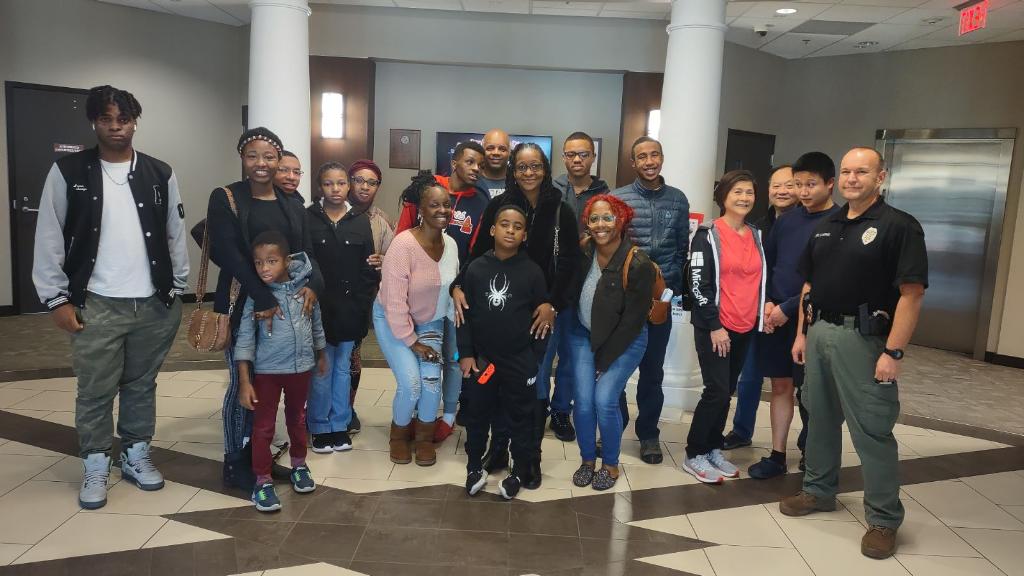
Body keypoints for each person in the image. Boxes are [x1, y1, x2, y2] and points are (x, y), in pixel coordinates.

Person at [32, 85, 188, 509]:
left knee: (141, 385)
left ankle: (136, 454)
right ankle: (97, 462)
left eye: (124, 119)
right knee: (96, 389)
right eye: (107, 120)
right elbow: (48, 235)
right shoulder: (68, 171)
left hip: (153, 303)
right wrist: (56, 299)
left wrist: (177, 289)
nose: (116, 128)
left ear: (135, 121)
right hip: (95, 302)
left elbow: (175, 233)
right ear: (94, 122)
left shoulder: (160, 172)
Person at [780, 147, 927, 560]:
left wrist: (893, 352)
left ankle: (883, 519)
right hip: (821, 332)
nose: (851, 178)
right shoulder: (826, 225)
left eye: (861, 171)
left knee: (872, 429)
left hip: (864, 341)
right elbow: (809, 285)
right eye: (846, 172)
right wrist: (802, 334)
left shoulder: (899, 227)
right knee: (820, 417)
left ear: (881, 176)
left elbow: (911, 295)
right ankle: (817, 491)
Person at [452, 142, 580, 489]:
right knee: (495, 384)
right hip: (500, 306)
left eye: (535, 166)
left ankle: (529, 459)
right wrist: (458, 285)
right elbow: (478, 254)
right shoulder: (500, 205)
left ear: (545, 168)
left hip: (543, 311)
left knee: (532, 384)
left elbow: (570, 262)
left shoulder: (560, 209)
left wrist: (551, 303)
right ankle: (498, 449)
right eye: (521, 167)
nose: (528, 173)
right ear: (513, 169)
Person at [206, 126, 323, 490]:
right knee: (244, 385)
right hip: (243, 301)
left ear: (279, 160)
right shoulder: (226, 197)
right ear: (242, 158)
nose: (261, 163)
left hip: (286, 305)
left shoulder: (290, 202)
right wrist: (263, 296)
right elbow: (227, 253)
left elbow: (305, 252)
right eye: (252, 155)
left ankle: (259, 458)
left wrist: (314, 286)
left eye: (269, 157)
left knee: (272, 388)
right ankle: (234, 461)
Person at [748, 154, 841, 479]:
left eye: (810, 184)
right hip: (774, 317)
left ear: (830, 183)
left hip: (811, 320)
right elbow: (769, 264)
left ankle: (812, 451)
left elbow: (825, 279)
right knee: (780, 385)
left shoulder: (839, 222)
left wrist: (787, 309)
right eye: (798, 184)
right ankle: (776, 453)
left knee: (812, 391)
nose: (803, 191)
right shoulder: (787, 220)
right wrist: (768, 303)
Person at [458, 205, 549, 500]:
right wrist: (467, 354)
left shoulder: (533, 272)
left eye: (518, 226)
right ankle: (474, 465)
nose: (511, 230)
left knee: (520, 418)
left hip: (519, 361)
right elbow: (465, 316)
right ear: (492, 230)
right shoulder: (476, 269)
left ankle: (519, 471)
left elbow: (542, 321)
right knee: (477, 414)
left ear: (524, 235)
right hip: (482, 360)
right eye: (505, 224)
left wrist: (534, 360)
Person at [683, 170, 766, 484]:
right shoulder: (707, 235)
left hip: (746, 326)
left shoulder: (756, 235)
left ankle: (713, 446)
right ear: (723, 197)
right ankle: (694, 453)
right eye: (737, 192)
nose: (744, 198)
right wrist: (715, 325)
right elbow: (697, 284)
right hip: (716, 327)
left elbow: (759, 279)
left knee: (727, 391)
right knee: (716, 391)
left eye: (749, 192)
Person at [234, 231, 326, 512]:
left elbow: (316, 323)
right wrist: (245, 381)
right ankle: (262, 481)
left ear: (286, 262)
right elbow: (245, 340)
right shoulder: (257, 296)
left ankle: (299, 465)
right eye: (259, 263)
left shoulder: (306, 290)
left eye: (271, 261)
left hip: (301, 369)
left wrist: (320, 354)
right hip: (267, 373)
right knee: (263, 427)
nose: (264, 269)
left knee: (298, 420)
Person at [612, 136, 690, 465]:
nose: (649, 161)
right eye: (642, 156)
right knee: (615, 370)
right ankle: (615, 426)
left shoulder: (678, 199)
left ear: (661, 158)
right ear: (633, 163)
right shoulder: (618, 198)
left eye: (654, 154)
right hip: (625, 300)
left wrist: (673, 289)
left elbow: (682, 248)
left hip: (661, 300)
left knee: (652, 372)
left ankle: (648, 435)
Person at [568, 195, 653, 491]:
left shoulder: (638, 262)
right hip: (583, 336)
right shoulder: (584, 250)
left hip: (625, 341)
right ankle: (588, 460)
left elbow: (632, 322)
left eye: (608, 218)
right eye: (594, 219)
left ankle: (611, 464)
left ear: (621, 219)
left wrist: (603, 361)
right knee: (583, 402)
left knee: (604, 400)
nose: (600, 224)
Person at [375, 174, 459, 467]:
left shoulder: (451, 245)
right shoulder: (403, 245)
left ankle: (423, 438)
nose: (442, 211)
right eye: (434, 205)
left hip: (431, 322)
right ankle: (398, 436)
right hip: (392, 320)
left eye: (446, 205)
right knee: (412, 383)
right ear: (420, 210)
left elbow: (451, 289)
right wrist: (414, 343)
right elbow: (395, 304)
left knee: (432, 383)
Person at [306, 162, 378, 454]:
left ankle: (340, 423)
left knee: (342, 370)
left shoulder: (360, 221)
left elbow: (369, 268)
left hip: (351, 309)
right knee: (322, 368)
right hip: (318, 308)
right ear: (320, 186)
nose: (335, 189)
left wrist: (362, 305)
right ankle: (320, 426)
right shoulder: (308, 219)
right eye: (328, 183)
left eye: (340, 183)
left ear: (348, 186)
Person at [724, 164, 798, 451]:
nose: (782, 191)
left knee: (792, 384)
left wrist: (784, 308)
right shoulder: (756, 227)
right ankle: (742, 431)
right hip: (757, 312)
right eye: (776, 185)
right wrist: (765, 305)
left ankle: (804, 444)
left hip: (795, 315)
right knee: (749, 377)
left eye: (789, 185)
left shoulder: (807, 224)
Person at [546, 131, 611, 443]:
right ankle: (535, 408)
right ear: (563, 156)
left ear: (592, 157)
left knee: (571, 359)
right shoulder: (550, 190)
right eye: (571, 154)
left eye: (583, 154)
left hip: (583, 290)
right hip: (548, 289)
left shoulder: (605, 196)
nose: (576, 160)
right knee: (542, 356)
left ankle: (560, 410)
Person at [345, 159, 395, 435]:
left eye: (371, 182)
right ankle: (317, 410)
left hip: (361, 300)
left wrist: (384, 259)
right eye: (359, 180)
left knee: (352, 357)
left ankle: (347, 409)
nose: (364, 187)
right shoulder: (331, 211)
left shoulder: (382, 221)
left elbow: (397, 258)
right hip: (328, 300)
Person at [478, 129, 511, 198]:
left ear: (509, 152)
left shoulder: (519, 182)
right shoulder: (472, 181)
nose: (496, 153)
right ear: (482, 151)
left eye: (502, 149)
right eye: (490, 148)